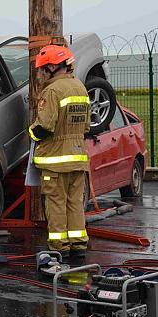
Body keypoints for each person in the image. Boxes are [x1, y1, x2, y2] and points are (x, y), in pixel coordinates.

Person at [28, 45, 91, 258]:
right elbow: (86, 127)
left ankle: (59, 246)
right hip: (78, 158)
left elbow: (44, 127)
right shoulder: (80, 88)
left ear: (54, 66)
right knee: (75, 202)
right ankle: (78, 243)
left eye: (43, 69)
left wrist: (30, 133)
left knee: (55, 203)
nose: (41, 74)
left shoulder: (52, 91)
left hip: (55, 161)